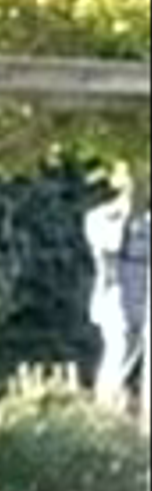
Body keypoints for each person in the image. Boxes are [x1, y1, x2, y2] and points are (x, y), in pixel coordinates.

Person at [89, 170, 148, 415]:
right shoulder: (100, 216)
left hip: (145, 291)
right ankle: (107, 409)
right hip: (116, 293)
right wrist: (128, 219)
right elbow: (108, 251)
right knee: (119, 349)